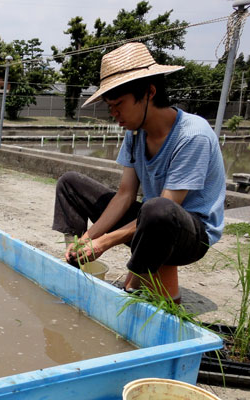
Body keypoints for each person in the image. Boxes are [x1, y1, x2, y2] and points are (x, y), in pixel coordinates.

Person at [52, 42, 226, 303]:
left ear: (149, 92)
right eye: (110, 106)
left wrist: (104, 243)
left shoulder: (193, 135)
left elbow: (168, 206)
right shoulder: (135, 133)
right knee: (70, 183)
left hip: (189, 232)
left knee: (157, 210)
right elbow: (124, 195)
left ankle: (138, 284)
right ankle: (74, 261)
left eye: (118, 104)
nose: (114, 114)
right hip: (151, 219)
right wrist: (88, 239)